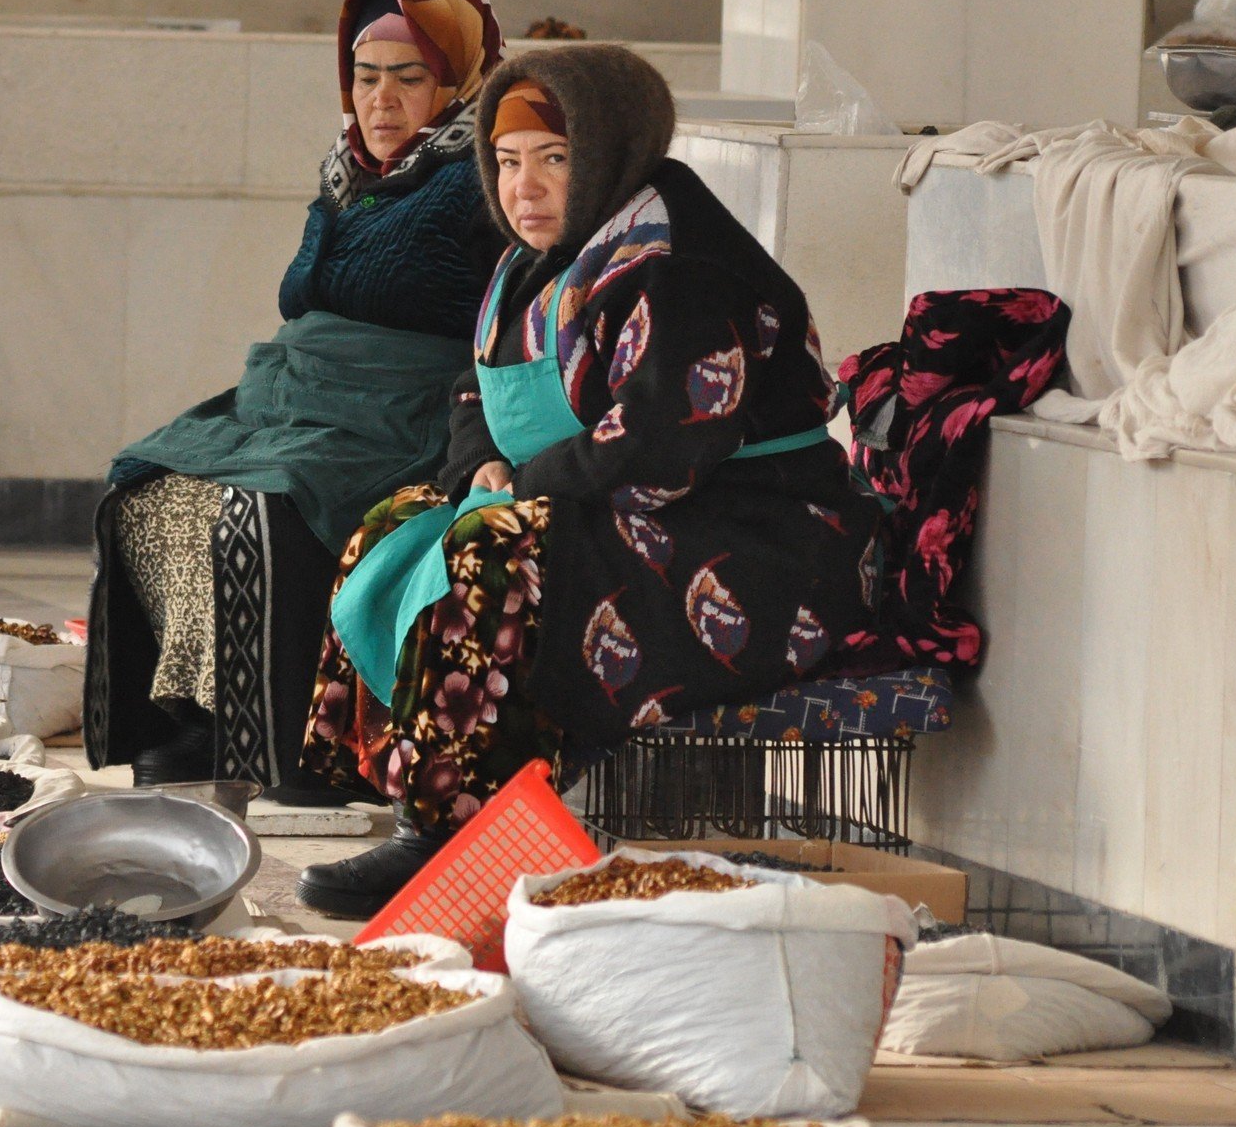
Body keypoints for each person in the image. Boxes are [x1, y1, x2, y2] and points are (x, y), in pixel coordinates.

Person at [295, 46, 885, 916]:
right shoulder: (537, 258)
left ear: (608, 151)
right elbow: (473, 388)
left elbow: (661, 443)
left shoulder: (675, 263)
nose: (522, 188)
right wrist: (480, 467)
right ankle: (421, 800)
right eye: (506, 162)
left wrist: (521, 489)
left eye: (554, 159)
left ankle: (454, 830)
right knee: (396, 526)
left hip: (758, 538)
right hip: (615, 501)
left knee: (494, 552)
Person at [82, 0, 505, 798]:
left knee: (268, 505)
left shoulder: (479, 181)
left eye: (409, 78)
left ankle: (290, 744)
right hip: (298, 402)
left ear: (458, 83)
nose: (380, 100)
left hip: (396, 417)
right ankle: (199, 716)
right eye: (365, 77)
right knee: (148, 486)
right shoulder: (351, 174)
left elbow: (501, 323)